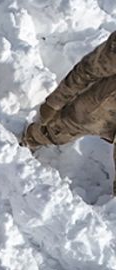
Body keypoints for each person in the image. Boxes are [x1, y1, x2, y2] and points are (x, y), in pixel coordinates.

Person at [21, 31, 116, 195]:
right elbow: (89, 69)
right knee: (60, 128)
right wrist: (55, 102)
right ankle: (29, 138)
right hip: (101, 107)